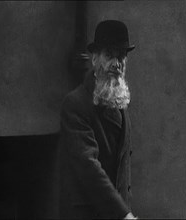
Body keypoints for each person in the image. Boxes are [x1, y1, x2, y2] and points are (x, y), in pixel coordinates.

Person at [58, 20, 137, 219]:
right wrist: (123, 214)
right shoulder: (75, 104)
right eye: (109, 55)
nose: (116, 64)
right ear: (94, 59)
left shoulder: (119, 100)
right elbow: (88, 167)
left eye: (121, 57)